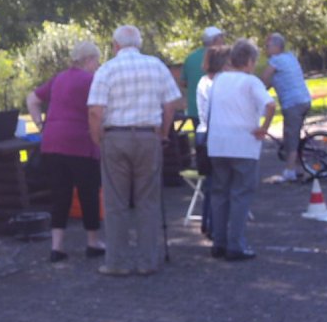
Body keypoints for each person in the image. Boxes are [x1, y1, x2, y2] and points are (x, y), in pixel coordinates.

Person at [87, 25, 181, 276]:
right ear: (138, 44)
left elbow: (96, 110)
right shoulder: (156, 66)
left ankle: (116, 262)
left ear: (115, 45)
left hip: (115, 137)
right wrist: (163, 131)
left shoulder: (106, 69)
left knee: (115, 201)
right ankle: (147, 261)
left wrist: (98, 138)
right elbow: (171, 102)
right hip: (148, 136)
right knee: (147, 201)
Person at [27, 41, 105, 263]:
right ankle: (92, 242)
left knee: (60, 194)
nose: (97, 65)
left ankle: (57, 247)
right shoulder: (92, 80)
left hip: (52, 143)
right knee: (88, 192)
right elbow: (99, 110)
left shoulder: (58, 78)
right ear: (89, 60)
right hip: (81, 142)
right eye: (96, 61)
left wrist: (40, 124)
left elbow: (32, 99)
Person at [206, 39, 276, 261]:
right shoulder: (250, 82)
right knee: (240, 195)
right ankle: (236, 243)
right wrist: (263, 128)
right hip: (243, 144)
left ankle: (219, 241)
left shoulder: (218, 80)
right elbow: (270, 105)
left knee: (219, 194)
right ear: (249, 61)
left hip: (217, 143)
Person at [261, 33, 312, 182]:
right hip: (303, 100)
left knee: (291, 137)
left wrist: (255, 91)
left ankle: (290, 170)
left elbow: (264, 79)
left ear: (277, 47)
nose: (266, 49)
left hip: (293, 103)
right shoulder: (290, 57)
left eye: (267, 46)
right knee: (293, 135)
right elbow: (273, 82)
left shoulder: (275, 61)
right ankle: (299, 168)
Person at [194, 44, 231, 237]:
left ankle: (208, 222)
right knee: (220, 182)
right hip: (215, 133)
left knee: (211, 184)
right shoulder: (220, 83)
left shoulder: (203, 81)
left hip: (204, 132)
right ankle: (214, 224)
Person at [180, 26, 225, 122]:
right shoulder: (221, 57)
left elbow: (183, 83)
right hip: (215, 109)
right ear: (215, 40)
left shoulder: (190, 58)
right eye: (221, 37)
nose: (223, 41)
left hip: (194, 109)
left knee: (199, 135)